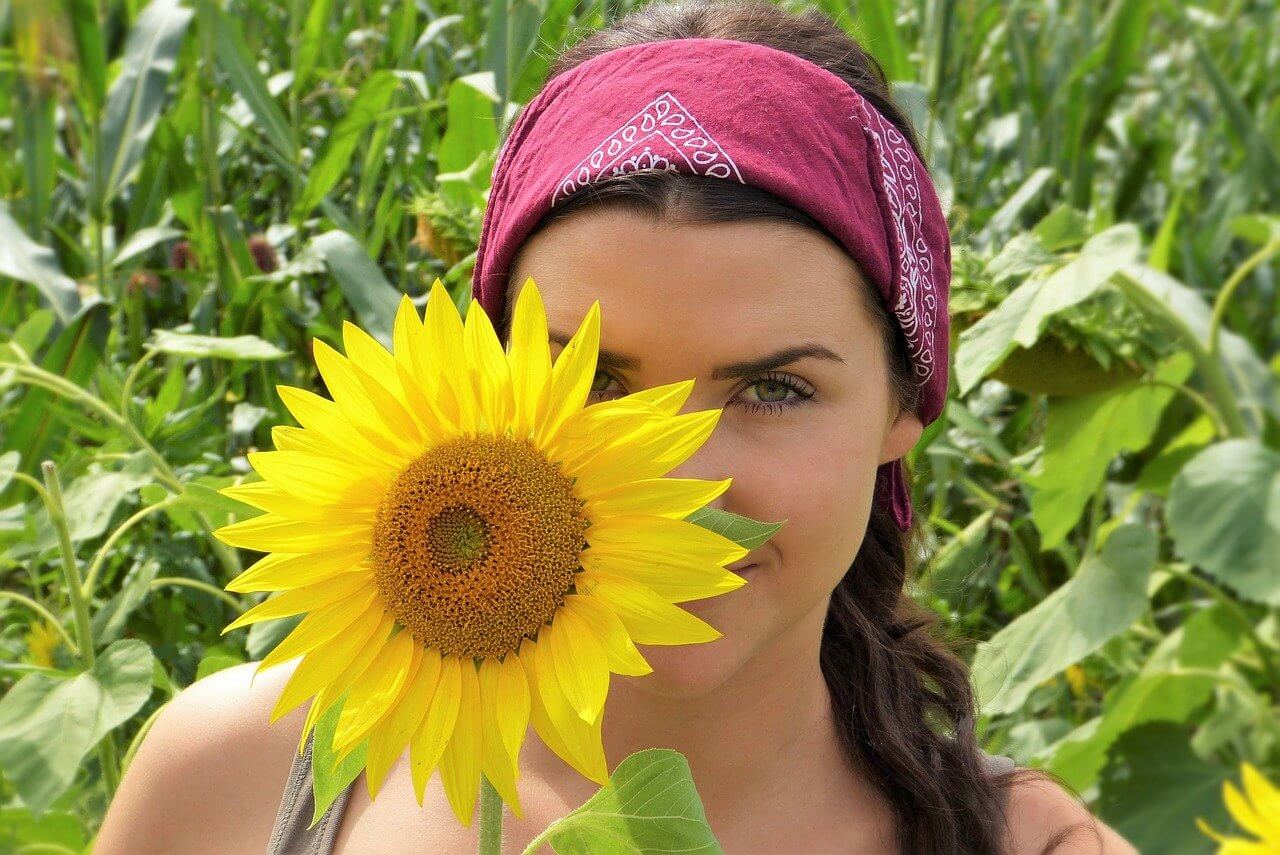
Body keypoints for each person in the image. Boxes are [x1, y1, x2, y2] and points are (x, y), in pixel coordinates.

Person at [96, 2, 1139, 852]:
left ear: (904, 407)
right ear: (485, 379)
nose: (671, 479)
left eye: (772, 390)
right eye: (591, 382)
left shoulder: (1031, 846)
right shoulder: (238, 776)